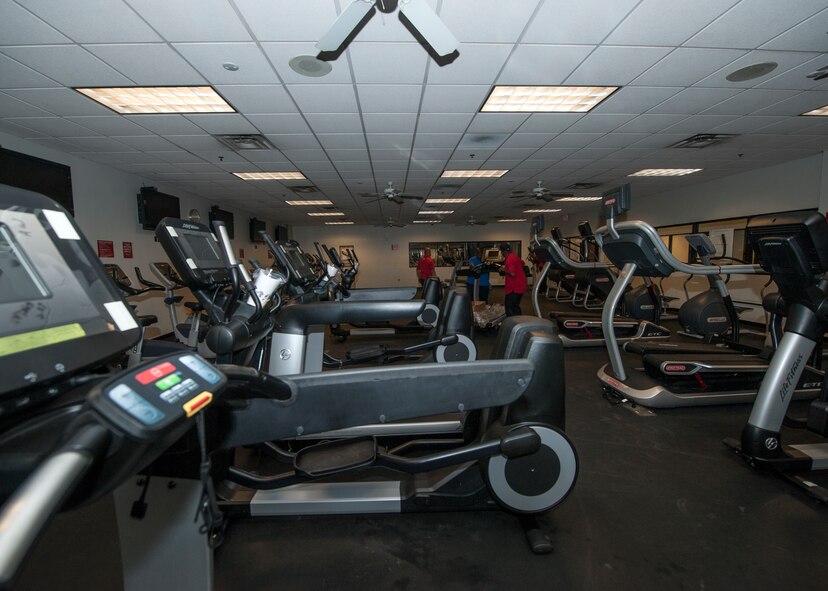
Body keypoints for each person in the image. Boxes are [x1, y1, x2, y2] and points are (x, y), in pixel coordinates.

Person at [499, 242, 526, 316]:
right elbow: (522, 262)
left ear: (503, 252)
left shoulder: (510, 259)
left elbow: (512, 273)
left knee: (510, 308)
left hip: (514, 288)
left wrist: (504, 270)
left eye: (501, 252)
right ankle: (517, 323)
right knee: (514, 306)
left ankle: (515, 324)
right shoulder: (513, 256)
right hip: (519, 286)